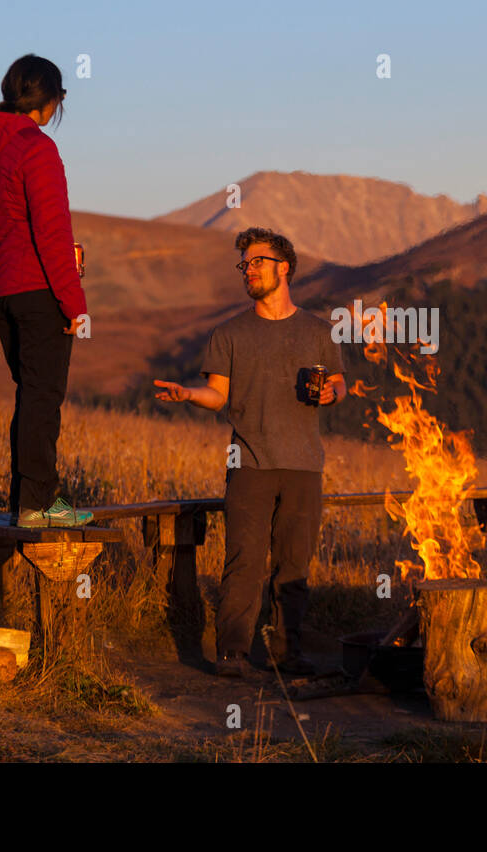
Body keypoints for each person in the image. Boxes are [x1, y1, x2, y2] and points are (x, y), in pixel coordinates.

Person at [154, 228, 346, 676]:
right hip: (249, 463)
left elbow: (339, 383)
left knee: (293, 566)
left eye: (258, 262)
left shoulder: (319, 331)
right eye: (245, 264)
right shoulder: (230, 333)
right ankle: (233, 653)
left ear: (284, 267)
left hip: (303, 464)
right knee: (243, 560)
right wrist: (188, 394)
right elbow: (218, 395)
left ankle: (286, 653)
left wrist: (330, 396)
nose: (249, 271)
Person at [0, 54, 93, 528]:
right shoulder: (37, 149)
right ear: (50, 100)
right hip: (39, 288)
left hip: (1, 289)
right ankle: (39, 505)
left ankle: (27, 503)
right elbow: (52, 232)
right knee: (43, 397)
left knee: (30, 395)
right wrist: (74, 304)